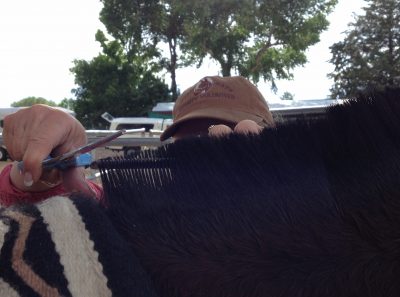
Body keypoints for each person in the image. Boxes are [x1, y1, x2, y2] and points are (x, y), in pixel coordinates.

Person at [0, 76, 274, 206]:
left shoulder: (312, 210)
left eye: (231, 134)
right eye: (190, 146)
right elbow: (90, 201)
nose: (209, 157)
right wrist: (44, 176)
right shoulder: (144, 212)